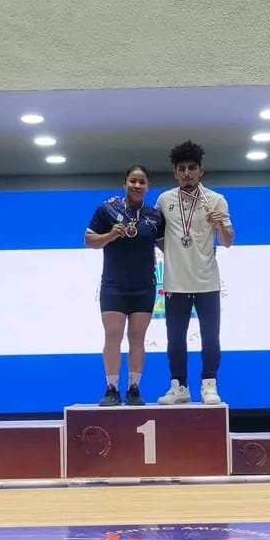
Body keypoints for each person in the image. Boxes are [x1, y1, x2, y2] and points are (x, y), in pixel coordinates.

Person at [154, 140, 234, 405]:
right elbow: (157, 236)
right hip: (175, 283)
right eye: (182, 169)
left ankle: (209, 385)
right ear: (175, 173)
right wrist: (174, 253)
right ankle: (179, 387)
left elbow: (228, 241)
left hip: (207, 281)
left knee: (210, 338)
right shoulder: (164, 200)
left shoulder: (216, 200)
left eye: (192, 168)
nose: (187, 173)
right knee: (175, 339)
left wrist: (220, 225)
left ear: (201, 170)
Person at [85, 165, 164, 406]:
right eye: (133, 181)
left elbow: (167, 248)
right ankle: (111, 389)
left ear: (148, 186)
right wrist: (109, 235)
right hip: (114, 285)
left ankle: (133, 389)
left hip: (144, 286)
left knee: (138, 338)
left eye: (142, 182)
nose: (137, 186)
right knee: (112, 336)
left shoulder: (155, 216)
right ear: (124, 183)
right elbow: (88, 240)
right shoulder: (107, 209)